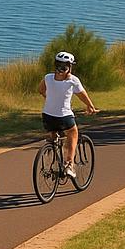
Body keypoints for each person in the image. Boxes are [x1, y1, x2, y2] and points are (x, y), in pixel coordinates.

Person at [40, 50, 98, 178]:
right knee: (73, 134)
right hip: (64, 116)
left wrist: (50, 99)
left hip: (47, 115)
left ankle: (52, 144)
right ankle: (69, 165)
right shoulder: (73, 80)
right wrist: (90, 106)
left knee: (53, 132)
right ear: (69, 66)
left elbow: (41, 90)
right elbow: (83, 95)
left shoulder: (47, 77)